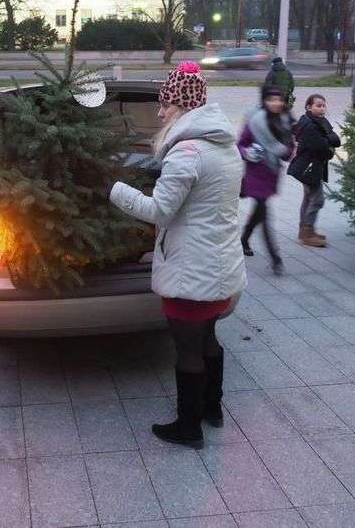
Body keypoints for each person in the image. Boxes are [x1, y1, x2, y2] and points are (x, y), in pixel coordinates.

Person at [109, 61, 246, 449]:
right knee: (208, 339)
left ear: (183, 106)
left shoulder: (186, 151)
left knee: (187, 349)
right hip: (217, 263)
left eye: (165, 104)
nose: (159, 112)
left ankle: (188, 427)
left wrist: (114, 189)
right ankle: (211, 410)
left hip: (190, 269)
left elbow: (159, 211)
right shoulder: (223, 146)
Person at [238, 85, 294, 275]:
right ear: (264, 101)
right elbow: (240, 145)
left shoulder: (284, 120)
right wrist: (248, 152)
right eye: (271, 99)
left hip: (271, 172)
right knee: (264, 213)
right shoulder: (255, 121)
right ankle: (275, 258)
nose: (276, 103)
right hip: (256, 172)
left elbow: (288, 149)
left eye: (279, 99)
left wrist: (287, 151)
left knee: (258, 211)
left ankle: (244, 239)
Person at [288, 94, 341, 248]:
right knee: (317, 200)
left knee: (308, 198)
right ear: (309, 107)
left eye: (323, 105)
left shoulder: (318, 121)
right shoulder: (311, 125)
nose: (322, 108)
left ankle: (304, 229)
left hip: (310, 167)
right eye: (318, 105)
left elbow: (336, 140)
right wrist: (328, 146)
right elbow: (322, 148)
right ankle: (307, 232)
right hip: (309, 168)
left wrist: (328, 141)